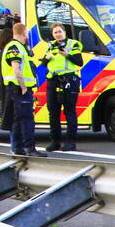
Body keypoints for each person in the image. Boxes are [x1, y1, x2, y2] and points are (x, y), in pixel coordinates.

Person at [1, 23, 46, 157]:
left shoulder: (17, 47)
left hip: (15, 88)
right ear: (24, 33)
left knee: (18, 118)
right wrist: (24, 86)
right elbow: (16, 69)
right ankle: (29, 148)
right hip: (19, 88)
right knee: (26, 119)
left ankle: (17, 148)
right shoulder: (15, 47)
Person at [41, 23, 82, 151]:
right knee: (53, 112)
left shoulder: (73, 44)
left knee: (69, 111)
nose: (58, 34)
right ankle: (55, 141)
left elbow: (79, 62)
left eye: (59, 31)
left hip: (68, 79)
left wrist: (67, 55)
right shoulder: (51, 45)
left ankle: (70, 142)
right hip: (53, 81)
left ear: (64, 32)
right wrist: (46, 58)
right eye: (55, 32)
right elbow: (43, 63)